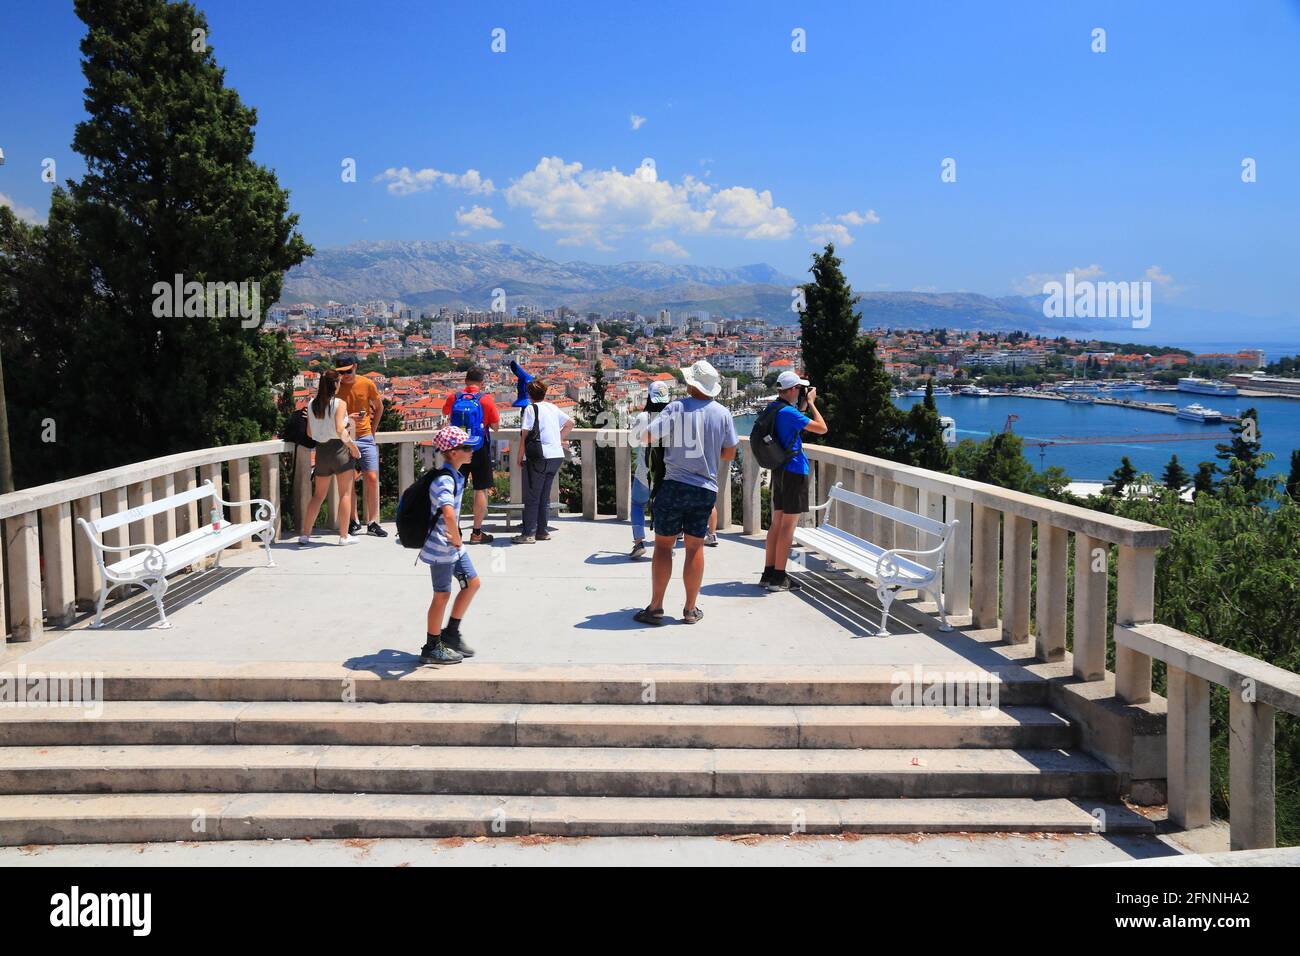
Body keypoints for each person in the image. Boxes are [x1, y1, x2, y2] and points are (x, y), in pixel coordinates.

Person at [632, 360, 737, 625]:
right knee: (695, 547)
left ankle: (656, 608)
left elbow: (647, 437)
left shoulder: (677, 407)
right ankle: (690, 610)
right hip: (704, 490)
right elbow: (729, 453)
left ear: (692, 383)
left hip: (674, 485)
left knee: (664, 547)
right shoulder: (723, 413)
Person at [418, 425, 484, 665]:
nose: (472, 451)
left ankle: (451, 634)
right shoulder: (444, 479)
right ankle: (432, 646)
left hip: (453, 547)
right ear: (453, 452)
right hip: (442, 547)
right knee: (442, 595)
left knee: (472, 583)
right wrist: (456, 537)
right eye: (467, 448)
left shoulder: (455, 474)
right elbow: (447, 512)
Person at [762, 370, 828, 591]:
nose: (802, 392)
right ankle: (780, 578)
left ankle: (768, 572)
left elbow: (793, 421)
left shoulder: (775, 408)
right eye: (799, 389)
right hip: (794, 471)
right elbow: (821, 428)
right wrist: (812, 403)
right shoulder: (789, 413)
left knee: (777, 523)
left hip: (780, 470)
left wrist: (802, 404)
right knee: (788, 526)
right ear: (792, 390)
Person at [300, 369, 363, 546]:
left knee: (318, 496)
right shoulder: (340, 403)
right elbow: (339, 429)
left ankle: (305, 534)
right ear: (335, 384)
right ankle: (344, 536)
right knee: (344, 494)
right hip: (339, 451)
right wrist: (353, 447)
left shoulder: (312, 403)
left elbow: (310, 433)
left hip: (321, 453)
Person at [442, 368, 500, 544]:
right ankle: (476, 533)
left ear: (465, 381)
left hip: (457, 446)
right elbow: (496, 427)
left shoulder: (454, 397)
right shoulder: (486, 400)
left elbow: (446, 413)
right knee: (480, 489)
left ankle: (454, 530)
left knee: (454, 489)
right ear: (482, 383)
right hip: (479, 447)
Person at [334, 353, 387, 538]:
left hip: (364, 437)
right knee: (348, 481)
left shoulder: (367, 384)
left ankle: (372, 522)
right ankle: (354, 520)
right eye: (341, 372)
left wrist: (373, 430)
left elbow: (379, 407)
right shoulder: (335, 386)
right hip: (344, 437)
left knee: (371, 477)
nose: (345, 375)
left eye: (348, 371)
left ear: (355, 367)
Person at [514, 379, 572, 544]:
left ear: (529, 395)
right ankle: (542, 531)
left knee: (532, 496)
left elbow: (524, 435)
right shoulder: (553, 407)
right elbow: (570, 423)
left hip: (538, 457)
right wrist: (557, 439)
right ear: (544, 393)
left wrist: (519, 457)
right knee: (544, 496)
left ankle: (528, 534)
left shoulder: (531, 409)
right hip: (556, 455)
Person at [629, 380, 670, 559]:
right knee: (666, 508)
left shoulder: (643, 417)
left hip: (645, 472)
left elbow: (633, 440)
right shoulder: (673, 417)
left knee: (637, 504)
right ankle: (667, 544)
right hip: (668, 473)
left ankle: (639, 542)